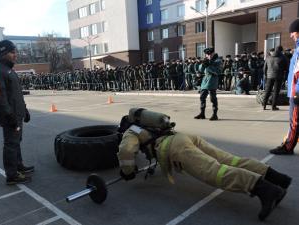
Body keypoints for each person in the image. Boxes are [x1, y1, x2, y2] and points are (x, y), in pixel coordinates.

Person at [118, 108, 292, 221]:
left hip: (175, 147)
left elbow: (126, 151)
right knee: (230, 160)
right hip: (184, 137)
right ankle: (278, 178)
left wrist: (127, 172)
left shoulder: (130, 131)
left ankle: (267, 191)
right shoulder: (147, 121)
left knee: (215, 172)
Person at [0, 40, 34, 185]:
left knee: (16, 142)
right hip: (10, 116)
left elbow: (16, 93)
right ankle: (12, 175)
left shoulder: (8, 69)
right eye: (12, 52)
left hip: (17, 113)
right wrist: (10, 116)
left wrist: (24, 110)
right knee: (11, 144)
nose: (16, 55)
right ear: (3, 53)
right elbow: (0, 97)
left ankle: (18, 166)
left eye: (15, 52)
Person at [269, 19, 299, 155]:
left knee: (295, 121)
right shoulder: (297, 49)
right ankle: (288, 142)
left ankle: (288, 147)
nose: (291, 35)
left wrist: (295, 91)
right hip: (295, 89)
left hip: (297, 92)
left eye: (293, 32)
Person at [194, 47, 221, 121]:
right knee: (202, 97)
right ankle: (202, 113)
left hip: (213, 80)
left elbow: (218, 71)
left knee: (213, 98)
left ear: (213, 53)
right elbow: (201, 70)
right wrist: (203, 64)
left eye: (209, 54)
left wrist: (209, 66)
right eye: (206, 54)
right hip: (205, 80)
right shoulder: (207, 60)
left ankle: (215, 114)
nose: (208, 56)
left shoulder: (217, 60)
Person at [262, 46, 288, 110]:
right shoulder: (283, 58)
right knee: (276, 91)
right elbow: (286, 68)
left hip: (269, 76)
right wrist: (285, 77)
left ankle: (264, 105)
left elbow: (264, 68)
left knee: (267, 90)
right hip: (279, 76)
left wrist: (266, 75)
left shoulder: (268, 57)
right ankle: (273, 106)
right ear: (281, 51)